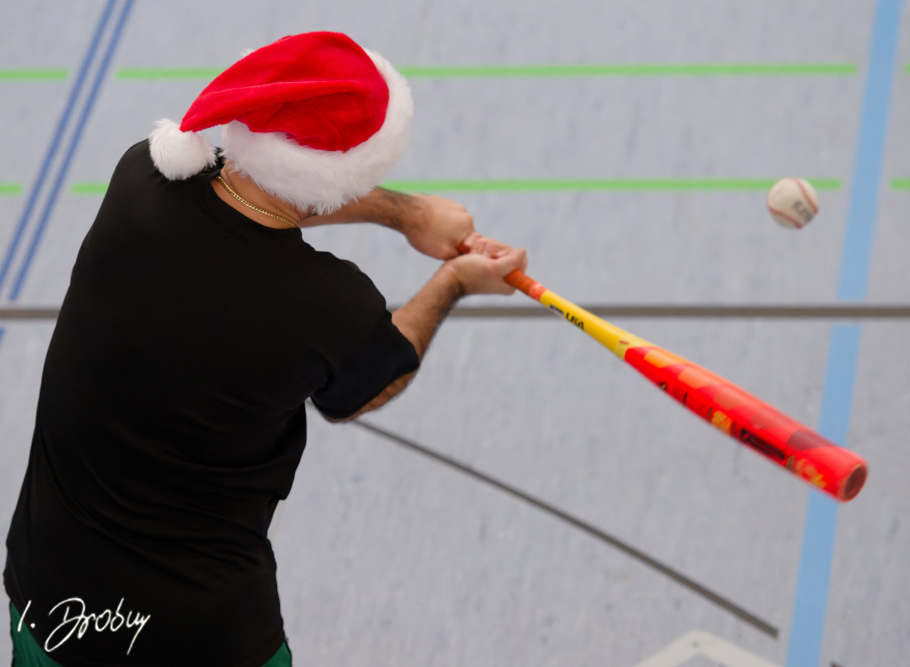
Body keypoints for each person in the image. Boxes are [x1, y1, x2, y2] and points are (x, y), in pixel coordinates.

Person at [4, 32, 526, 667]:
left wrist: (406, 214)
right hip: (198, 635)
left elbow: (259, 193)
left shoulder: (141, 176)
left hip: (53, 601)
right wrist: (454, 283)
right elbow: (370, 385)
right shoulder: (327, 304)